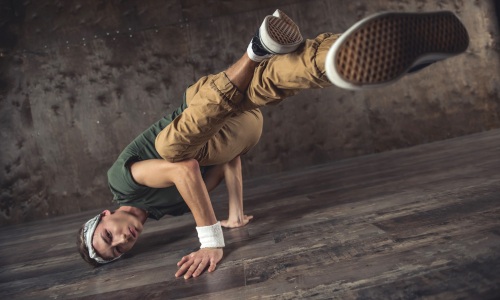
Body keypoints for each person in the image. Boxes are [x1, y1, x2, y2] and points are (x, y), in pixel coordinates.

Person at [76, 9, 469, 279]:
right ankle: (255, 51)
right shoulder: (173, 208)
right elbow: (225, 160)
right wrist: (234, 212)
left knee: (291, 72)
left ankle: (398, 57)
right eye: (119, 251)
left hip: (207, 105)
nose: (123, 240)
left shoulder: (122, 184)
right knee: (184, 148)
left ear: (105, 215)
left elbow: (184, 168)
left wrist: (212, 241)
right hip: (235, 129)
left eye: (108, 236)